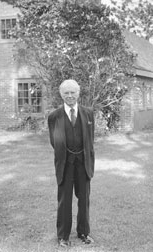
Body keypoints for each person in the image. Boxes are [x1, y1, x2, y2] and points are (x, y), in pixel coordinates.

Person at [48, 79, 95, 247]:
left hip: (83, 164)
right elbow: (54, 141)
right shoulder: (54, 116)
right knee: (64, 201)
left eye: (72, 92)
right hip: (65, 165)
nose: (70, 96)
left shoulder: (88, 113)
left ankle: (84, 232)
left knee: (84, 200)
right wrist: (66, 154)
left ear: (78, 93)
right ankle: (63, 236)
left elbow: (90, 140)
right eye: (66, 93)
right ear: (61, 94)